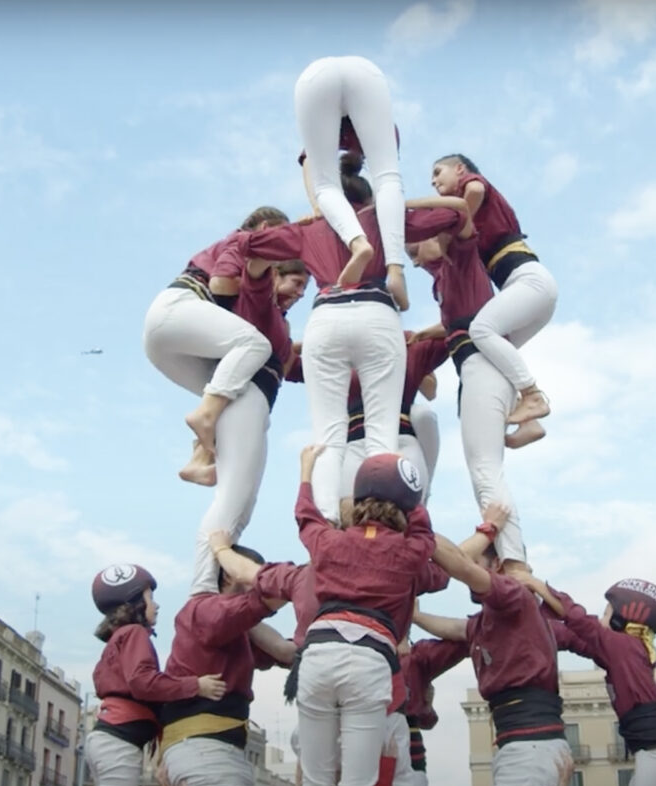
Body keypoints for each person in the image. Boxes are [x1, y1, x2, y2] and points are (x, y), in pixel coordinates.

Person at [234, 171, 468, 523]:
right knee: (383, 432)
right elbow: (457, 214)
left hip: (326, 315)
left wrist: (297, 228)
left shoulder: (311, 228)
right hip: (376, 313)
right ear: (368, 198)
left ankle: (327, 521)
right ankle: (385, 520)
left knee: (328, 435)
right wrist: (393, 207)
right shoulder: (382, 220)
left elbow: (248, 246)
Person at [291, 444, 443, 786]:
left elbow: (305, 515)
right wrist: (410, 490)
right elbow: (425, 534)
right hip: (368, 659)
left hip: (317, 656)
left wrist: (306, 470)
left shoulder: (329, 542)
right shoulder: (410, 552)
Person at [410, 233, 539, 580]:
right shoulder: (443, 278)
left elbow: (460, 217)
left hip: (482, 365)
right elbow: (457, 319)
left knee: (484, 469)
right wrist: (422, 335)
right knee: (483, 467)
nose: (415, 261)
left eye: (415, 248)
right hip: (477, 367)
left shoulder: (458, 258)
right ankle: (512, 558)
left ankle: (513, 562)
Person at [414, 524, 572, 786]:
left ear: (497, 564)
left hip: (527, 747)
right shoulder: (492, 620)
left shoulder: (513, 594)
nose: (469, 567)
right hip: (531, 744)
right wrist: (415, 616)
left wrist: (413, 520)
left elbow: (461, 567)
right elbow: (454, 629)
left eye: (477, 561)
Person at [181, 257, 309, 598]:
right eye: (296, 283)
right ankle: (203, 589)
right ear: (276, 274)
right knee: (233, 498)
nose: (300, 293)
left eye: (304, 288)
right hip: (246, 395)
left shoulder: (279, 323)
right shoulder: (259, 300)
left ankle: (214, 585)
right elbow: (254, 267)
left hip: (256, 401)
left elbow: (296, 362)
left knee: (243, 502)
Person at [142, 206, 288, 457]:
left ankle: (200, 461)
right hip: (178, 306)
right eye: (281, 238)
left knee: (234, 394)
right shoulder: (242, 241)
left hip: (163, 347)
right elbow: (220, 284)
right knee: (256, 345)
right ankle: (204, 417)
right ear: (264, 229)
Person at [431, 154, 558, 426]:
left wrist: (448, 231)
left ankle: (533, 396)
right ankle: (529, 423)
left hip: (529, 280)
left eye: (438, 172)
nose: (433, 180)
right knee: (493, 355)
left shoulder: (473, 186)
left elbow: (475, 190)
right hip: (529, 289)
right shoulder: (471, 213)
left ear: (459, 169)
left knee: (480, 330)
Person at [83, 564, 226, 786]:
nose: (156, 605)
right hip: (119, 743)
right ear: (135, 604)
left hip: (105, 740)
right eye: (150, 598)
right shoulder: (135, 633)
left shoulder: (116, 642)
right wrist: (196, 685)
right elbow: (143, 682)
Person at [160, 545, 289, 786]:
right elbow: (257, 607)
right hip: (207, 752)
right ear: (230, 575)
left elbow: (285, 652)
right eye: (254, 576)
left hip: (211, 752)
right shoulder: (205, 611)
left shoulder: (236, 631)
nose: (259, 582)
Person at [544, 579, 656, 786]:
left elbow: (581, 623)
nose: (601, 619)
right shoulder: (628, 653)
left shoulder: (625, 647)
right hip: (654, 755)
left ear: (620, 620)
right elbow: (576, 640)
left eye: (606, 613)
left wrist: (537, 585)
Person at [295, 56, 404, 289]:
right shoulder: (381, 132)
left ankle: (358, 244)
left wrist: (317, 206)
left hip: (315, 76)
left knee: (326, 185)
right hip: (366, 72)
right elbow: (386, 184)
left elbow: (310, 165)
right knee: (388, 178)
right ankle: (396, 271)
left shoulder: (340, 136)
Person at [339, 333, 448, 503]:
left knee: (423, 415)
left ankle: (424, 487)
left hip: (399, 420)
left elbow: (431, 392)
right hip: (357, 430)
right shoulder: (345, 346)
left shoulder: (406, 340)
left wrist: (408, 363)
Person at [401, 637, 468, 786]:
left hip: (408, 740)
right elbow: (462, 640)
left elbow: (426, 719)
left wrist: (427, 705)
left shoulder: (415, 659)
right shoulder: (415, 658)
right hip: (404, 739)